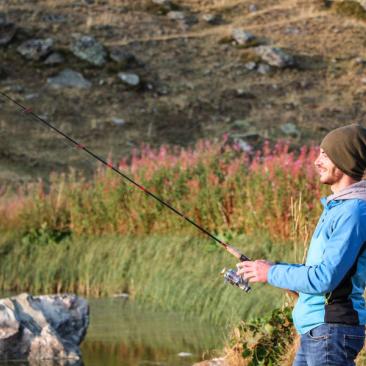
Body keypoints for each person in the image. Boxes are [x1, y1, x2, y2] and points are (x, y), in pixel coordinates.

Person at [236, 124, 366, 366]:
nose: (317, 161)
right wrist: (273, 267)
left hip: (331, 331)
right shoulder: (338, 208)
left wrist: (271, 273)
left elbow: (324, 278)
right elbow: (320, 272)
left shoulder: (353, 212)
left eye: (325, 155)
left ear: (344, 159)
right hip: (318, 332)